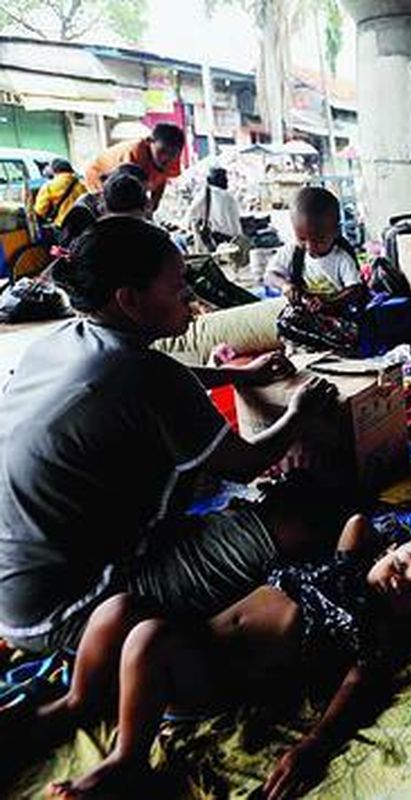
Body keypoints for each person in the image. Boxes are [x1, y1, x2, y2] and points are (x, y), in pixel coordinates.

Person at [0, 217, 338, 657]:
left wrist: (232, 374)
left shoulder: (62, 338)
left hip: (17, 594)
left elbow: (150, 379)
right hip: (73, 612)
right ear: (129, 300)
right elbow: (250, 461)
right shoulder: (147, 375)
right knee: (300, 522)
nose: (191, 298)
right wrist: (297, 412)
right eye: (178, 288)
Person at [36, 516, 411, 799]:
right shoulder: (343, 563)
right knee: (119, 607)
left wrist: (315, 743)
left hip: (217, 677)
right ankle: (77, 701)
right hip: (198, 636)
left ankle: (126, 760)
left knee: (148, 636)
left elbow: (357, 684)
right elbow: (358, 523)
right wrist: (391, 540)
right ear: (388, 550)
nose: (399, 583)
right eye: (402, 565)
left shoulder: (373, 629)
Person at [265, 186, 364, 316]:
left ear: (335, 231)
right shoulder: (293, 251)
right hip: (303, 314)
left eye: (320, 240)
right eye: (302, 239)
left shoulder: (341, 257)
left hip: (335, 315)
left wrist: (329, 302)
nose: (310, 247)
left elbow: (355, 290)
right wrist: (286, 286)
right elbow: (269, 276)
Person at [84, 123, 185, 214]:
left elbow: (161, 181)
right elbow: (130, 193)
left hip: (131, 184)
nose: (166, 158)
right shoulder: (134, 154)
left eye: (172, 154)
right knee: (114, 211)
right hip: (98, 176)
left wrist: (153, 207)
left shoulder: (173, 159)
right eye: (162, 151)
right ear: (149, 141)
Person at [189, 166, 243, 246]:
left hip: (213, 240)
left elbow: (191, 216)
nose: (227, 181)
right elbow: (236, 223)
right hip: (232, 240)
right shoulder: (229, 197)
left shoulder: (204, 194)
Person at [34, 158, 86, 229]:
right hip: (85, 223)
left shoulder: (49, 187)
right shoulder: (82, 184)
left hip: (64, 226)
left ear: (54, 171)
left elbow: (40, 210)